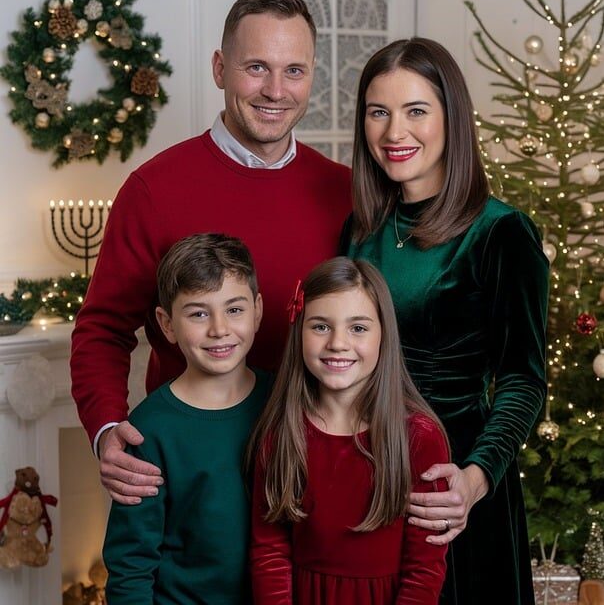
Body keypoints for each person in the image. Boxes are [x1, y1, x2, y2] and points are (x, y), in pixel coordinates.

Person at [70, 0, 351, 505]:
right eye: (256, 68)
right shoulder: (154, 189)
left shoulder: (347, 192)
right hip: (190, 470)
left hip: (316, 467)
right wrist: (107, 427)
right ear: (220, 68)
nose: (275, 90)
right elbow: (103, 329)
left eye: (294, 70)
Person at [341, 38, 549, 604]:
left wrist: (475, 480)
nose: (393, 133)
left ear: (451, 117)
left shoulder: (501, 234)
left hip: (451, 484)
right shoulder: (361, 231)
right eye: (378, 112)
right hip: (365, 468)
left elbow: (524, 379)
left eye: (415, 111)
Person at [249, 257, 450, 604]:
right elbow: (269, 550)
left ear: (383, 334)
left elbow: (425, 567)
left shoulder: (419, 437)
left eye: (358, 328)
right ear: (300, 329)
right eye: (321, 326)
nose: (338, 343)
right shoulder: (282, 432)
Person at [103, 232, 271, 604]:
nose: (219, 329)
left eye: (235, 309)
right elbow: (130, 566)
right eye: (198, 313)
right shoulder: (149, 430)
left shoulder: (283, 402)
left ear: (257, 311)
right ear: (166, 324)